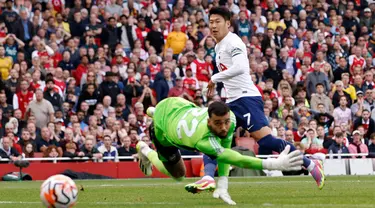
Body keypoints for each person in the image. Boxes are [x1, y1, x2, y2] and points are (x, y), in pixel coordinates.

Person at [194, 6, 325, 194]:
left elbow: (240, 68)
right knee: (213, 136)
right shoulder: (218, 46)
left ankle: (311, 165)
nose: (213, 26)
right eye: (211, 22)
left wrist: (215, 78)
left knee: (267, 142)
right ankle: (207, 177)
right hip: (232, 101)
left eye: (218, 22)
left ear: (228, 23)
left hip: (246, 98)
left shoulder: (234, 42)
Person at [137, 97, 303, 205]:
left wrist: (223, 184)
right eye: (217, 123)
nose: (224, 128)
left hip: (178, 105)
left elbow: (226, 146)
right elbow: (234, 158)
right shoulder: (203, 140)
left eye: (225, 122)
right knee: (178, 174)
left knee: (222, 139)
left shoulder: (229, 118)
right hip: (163, 126)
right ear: (209, 122)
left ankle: (152, 111)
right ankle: (145, 150)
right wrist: (273, 163)